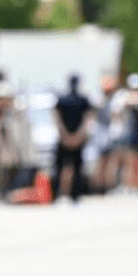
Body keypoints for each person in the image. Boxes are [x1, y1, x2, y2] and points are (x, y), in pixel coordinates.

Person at [52, 74, 92, 202]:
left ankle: (57, 192)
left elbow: (57, 119)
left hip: (65, 138)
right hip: (76, 139)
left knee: (60, 167)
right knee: (77, 167)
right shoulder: (83, 100)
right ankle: (75, 194)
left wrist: (64, 135)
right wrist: (79, 135)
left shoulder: (62, 99)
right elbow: (87, 119)